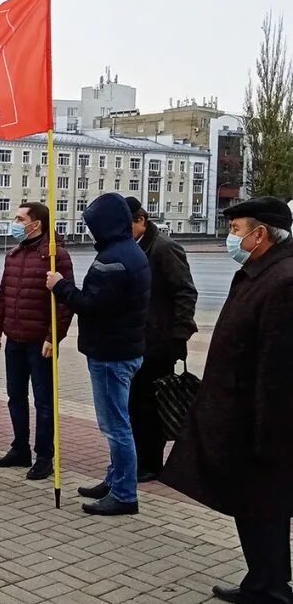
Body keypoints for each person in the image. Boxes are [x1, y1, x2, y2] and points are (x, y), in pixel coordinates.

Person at [161, 197, 293, 604]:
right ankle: (261, 580)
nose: (230, 238)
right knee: (252, 505)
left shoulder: (284, 280)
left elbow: (279, 368)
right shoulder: (259, 271)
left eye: (236, 231)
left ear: (261, 234)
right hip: (239, 413)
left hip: (262, 422)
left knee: (264, 507)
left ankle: (271, 589)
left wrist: (266, 433)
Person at [47, 192, 150, 516]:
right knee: (120, 423)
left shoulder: (112, 260)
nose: (90, 231)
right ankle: (115, 478)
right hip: (125, 348)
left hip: (110, 354)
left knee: (116, 427)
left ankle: (124, 494)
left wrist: (60, 286)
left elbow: (91, 305)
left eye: (93, 225)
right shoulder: (129, 252)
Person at [0, 202, 74, 480]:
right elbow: (4, 294)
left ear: (35, 224)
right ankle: (19, 448)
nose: (15, 222)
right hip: (14, 338)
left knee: (44, 401)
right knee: (15, 396)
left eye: (19, 218)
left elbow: (65, 302)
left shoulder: (55, 256)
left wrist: (54, 337)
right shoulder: (13, 255)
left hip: (40, 342)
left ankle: (44, 455)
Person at [124, 197, 198, 483]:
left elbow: (185, 292)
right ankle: (139, 458)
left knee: (151, 405)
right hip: (134, 340)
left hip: (158, 343)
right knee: (134, 404)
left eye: (125, 225)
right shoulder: (131, 248)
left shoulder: (164, 248)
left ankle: (151, 463)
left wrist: (179, 336)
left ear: (141, 220)